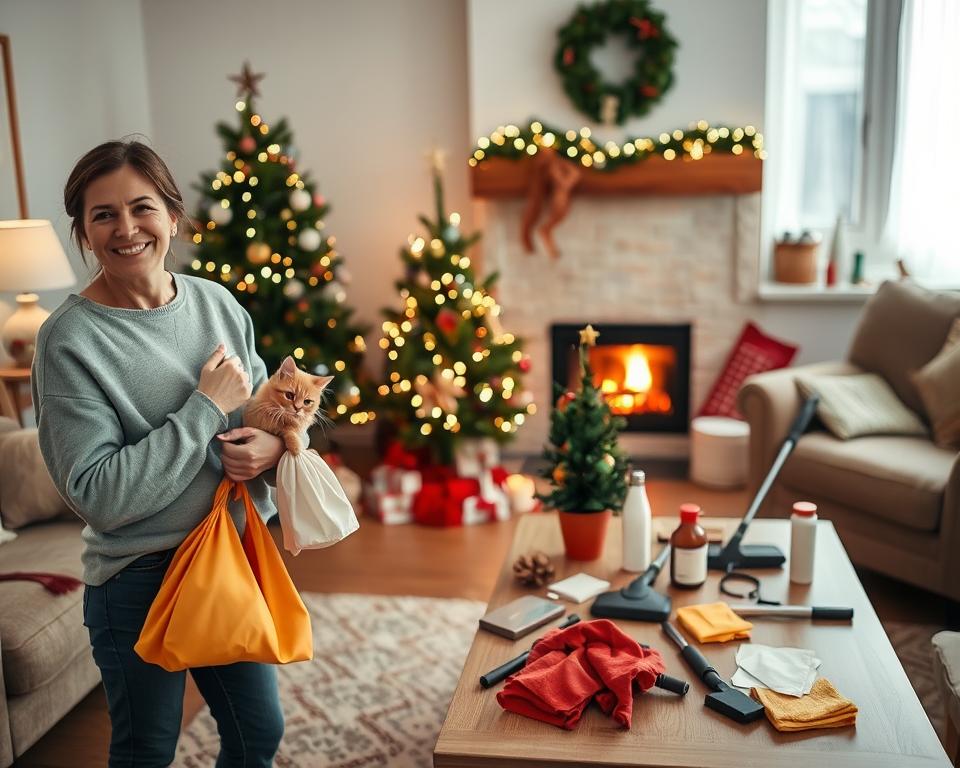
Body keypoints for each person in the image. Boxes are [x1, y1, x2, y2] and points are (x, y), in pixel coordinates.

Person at [32, 140, 290, 767]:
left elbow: (267, 411)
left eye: (142, 207)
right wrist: (203, 409)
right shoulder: (69, 340)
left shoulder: (216, 303)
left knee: (258, 735)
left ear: (174, 216)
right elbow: (99, 496)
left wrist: (272, 444)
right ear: (83, 231)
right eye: (103, 215)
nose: (126, 229)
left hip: (229, 556)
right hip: (138, 579)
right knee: (148, 749)